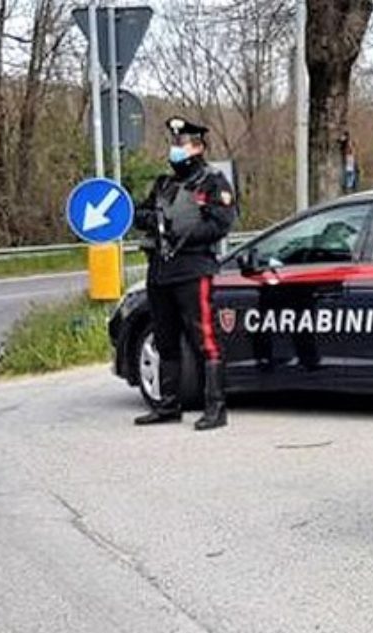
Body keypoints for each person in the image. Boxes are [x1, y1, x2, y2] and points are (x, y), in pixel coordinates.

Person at [132, 116, 237, 430]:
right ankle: (168, 405)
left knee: (204, 338)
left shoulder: (212, 182)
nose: (176, 148)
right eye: (174, 143)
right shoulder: (164, 184)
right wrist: (150, 220)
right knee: (165, 340)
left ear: (199, 147)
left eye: (182, 143)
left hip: (193, 269)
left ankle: (215, 408)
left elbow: (221, 223)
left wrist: (184, 232)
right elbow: (142, 212)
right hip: (161, 272)